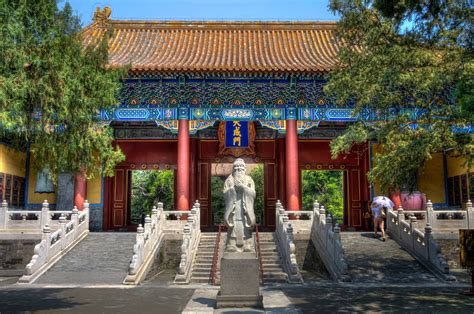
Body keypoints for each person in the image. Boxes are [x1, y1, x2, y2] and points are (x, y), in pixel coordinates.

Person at [223, 158, 256, 252]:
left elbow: (253, 194)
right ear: (233, 169)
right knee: (232, 223)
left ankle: (247, 243)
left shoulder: (249, 180)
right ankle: (231, 244)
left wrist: (243, 187)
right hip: (233, 207)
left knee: (245, 224)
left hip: (244, 207)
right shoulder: (229, 180)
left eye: (241, 168)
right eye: (236, 168)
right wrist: (232, 189)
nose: (238, 170)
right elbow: (225, 193)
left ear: (244, 169)